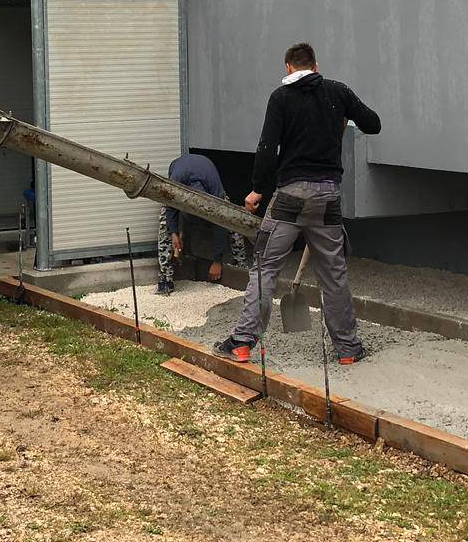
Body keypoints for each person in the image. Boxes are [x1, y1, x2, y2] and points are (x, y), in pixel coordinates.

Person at [215, 42, 380, 365]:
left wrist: (257, 191)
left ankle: (242, 343)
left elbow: (266, 149)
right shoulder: (338, 92)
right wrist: (343, 117)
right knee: (333, 274)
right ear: (316, 67)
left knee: (265, 268)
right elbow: (373, 124)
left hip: (289, 198)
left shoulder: (281, 98)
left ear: (289, 68)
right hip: (327, 199)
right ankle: (347, 349)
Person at [156, 152, 248, 295]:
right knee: (164, 225)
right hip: (181, 174)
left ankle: (241, 270)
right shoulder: (176, 180)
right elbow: (171, 208)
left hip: (206, 173)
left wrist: (217, 261)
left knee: (232, 220)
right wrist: (173, 233)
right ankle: (165, 278)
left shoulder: (215, 191)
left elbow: (220, 222)